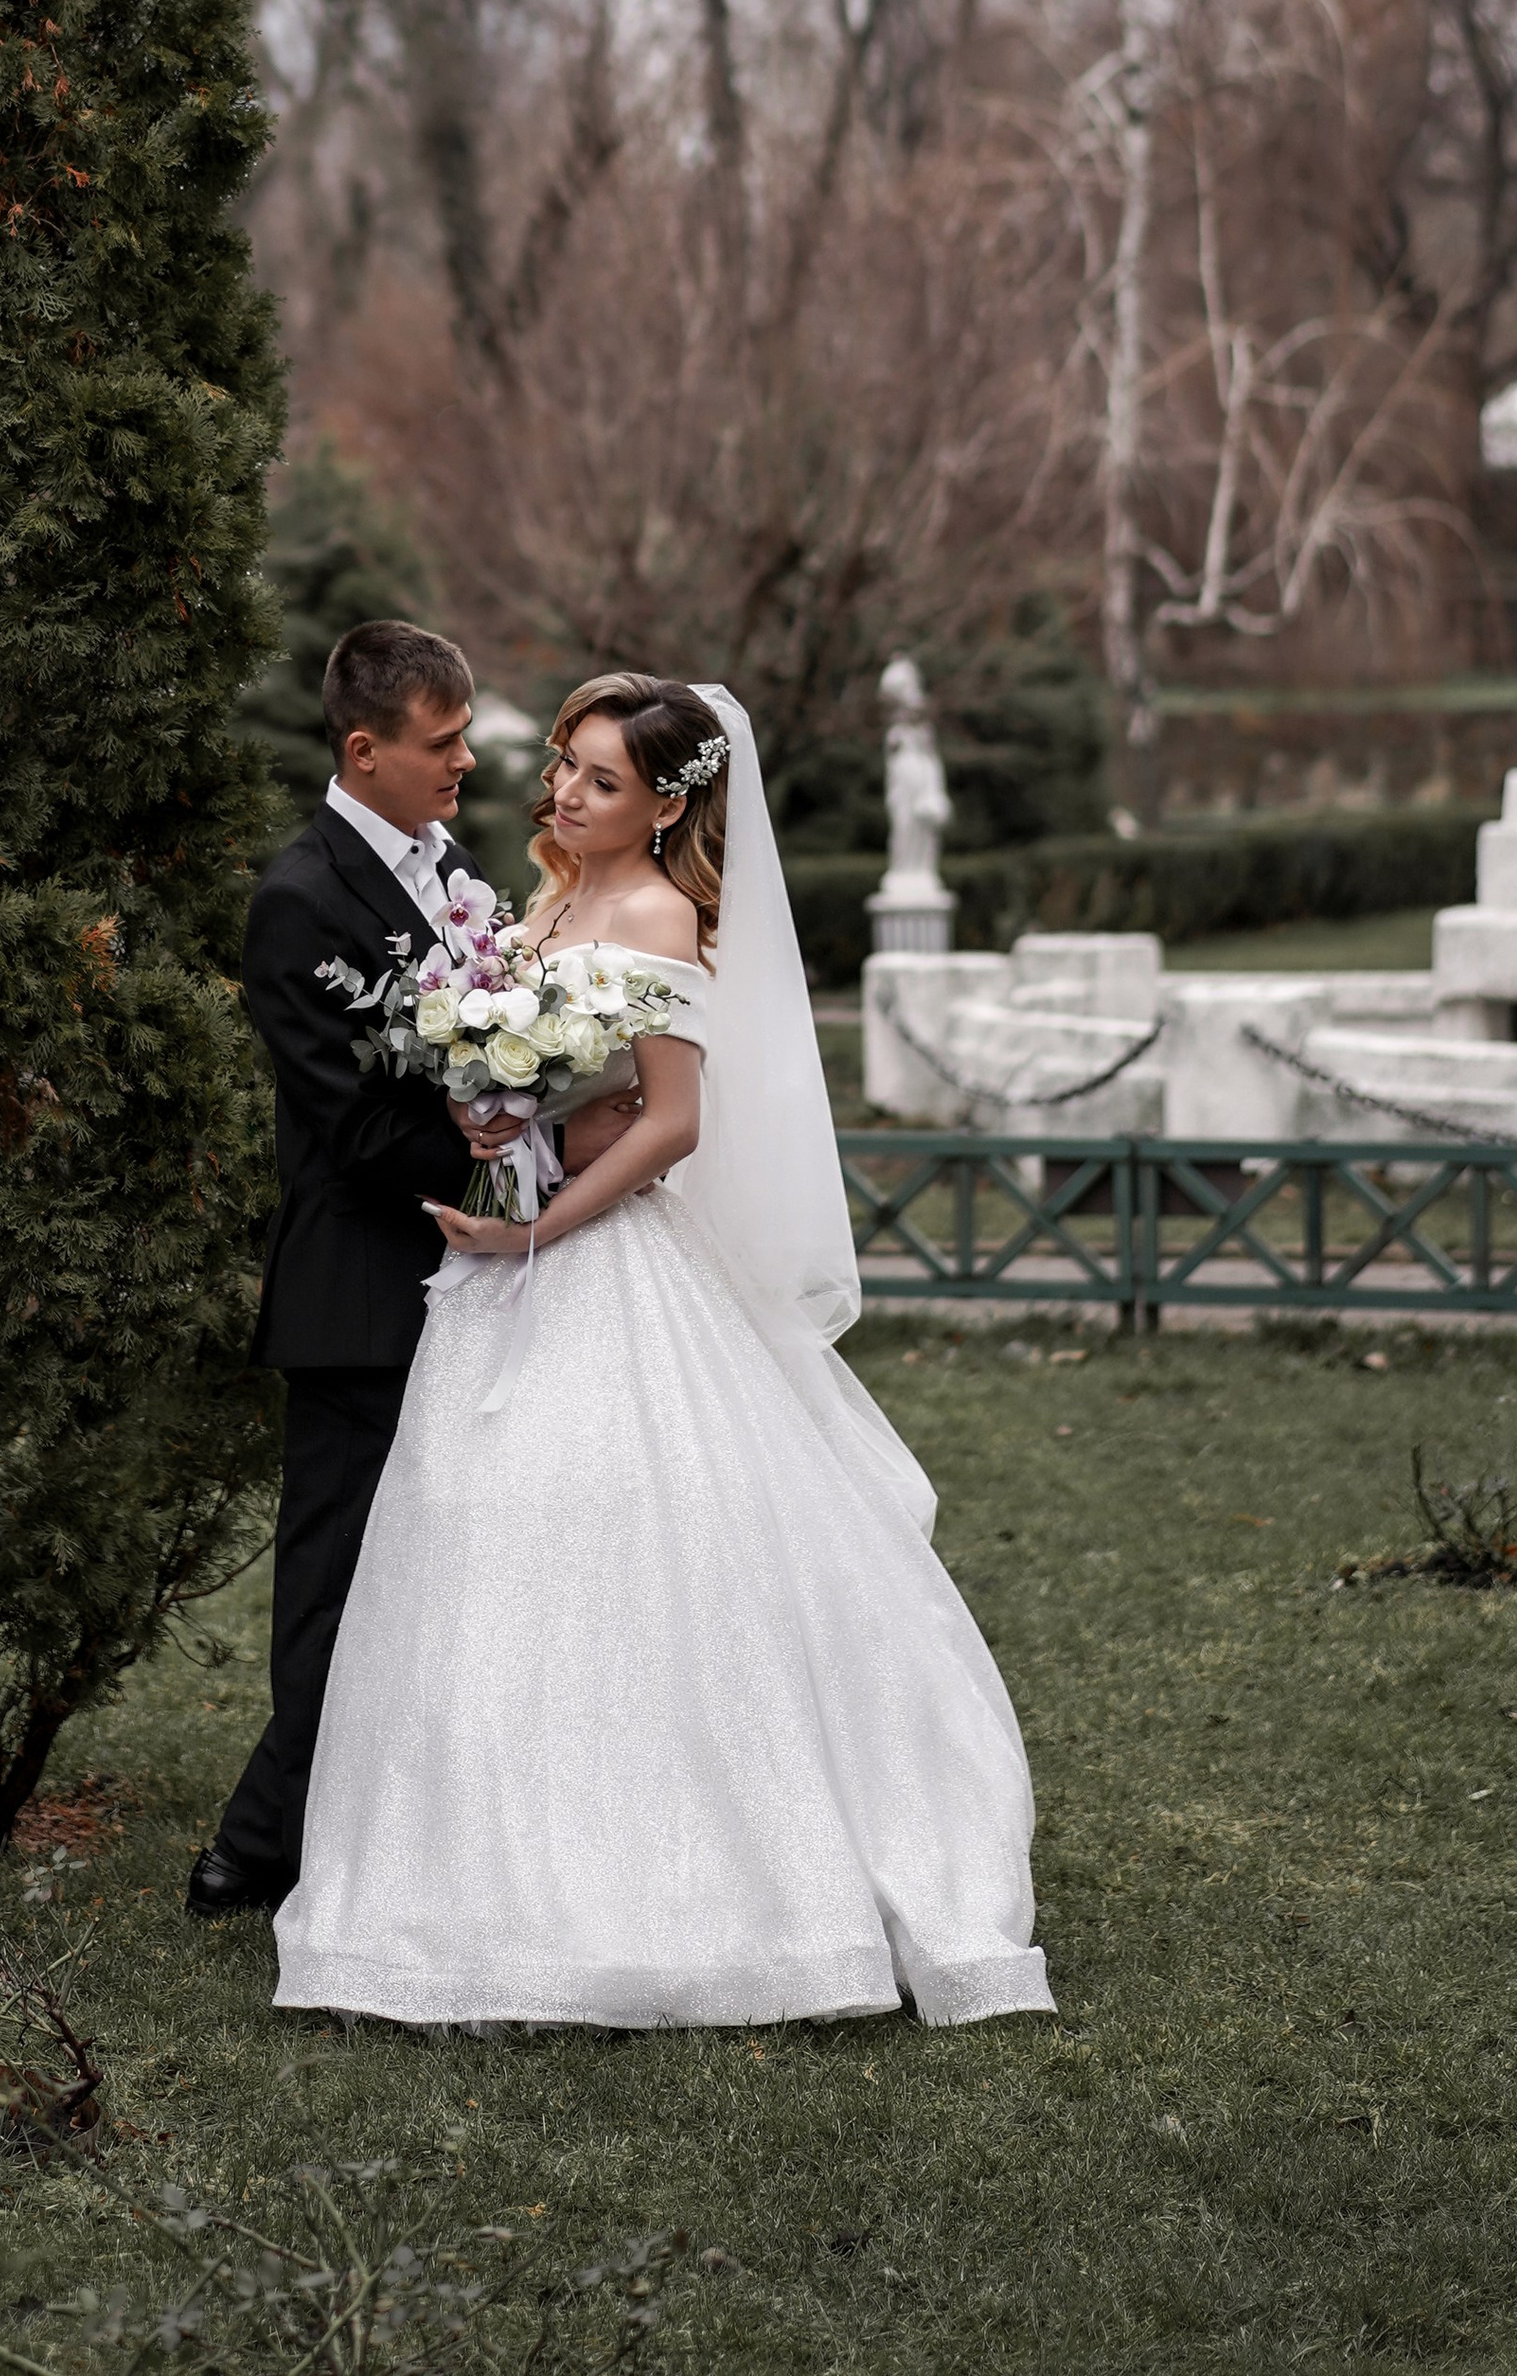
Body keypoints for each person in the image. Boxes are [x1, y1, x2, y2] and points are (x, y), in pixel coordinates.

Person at [271, 671, 1054, 2029]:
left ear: (669, 805)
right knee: (478, 1544)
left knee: (622, 1541)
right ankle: (462, 1874)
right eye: (566, 767)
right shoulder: (538, 902)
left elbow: (673, 1121)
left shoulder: (658, 914)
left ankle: (685, 1877)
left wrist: (538, 1223)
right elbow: (535, 1080)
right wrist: (490, 1122)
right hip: (499, 1274)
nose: (567, 794)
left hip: (602, 1263)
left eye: (604, 781)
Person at [185, 618, 634, 1920]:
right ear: (364, 749)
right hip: (363, 1289)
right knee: (336, 1582)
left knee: (444, 1575)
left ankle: (382, 1823)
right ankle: (257, 1846)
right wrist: (510, 1138)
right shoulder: (300, 897)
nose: (465, 762)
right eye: (442, 742)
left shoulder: (456, 870)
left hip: (473, 1275)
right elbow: (352, 1123)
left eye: (465, 735)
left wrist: (540, 1109)